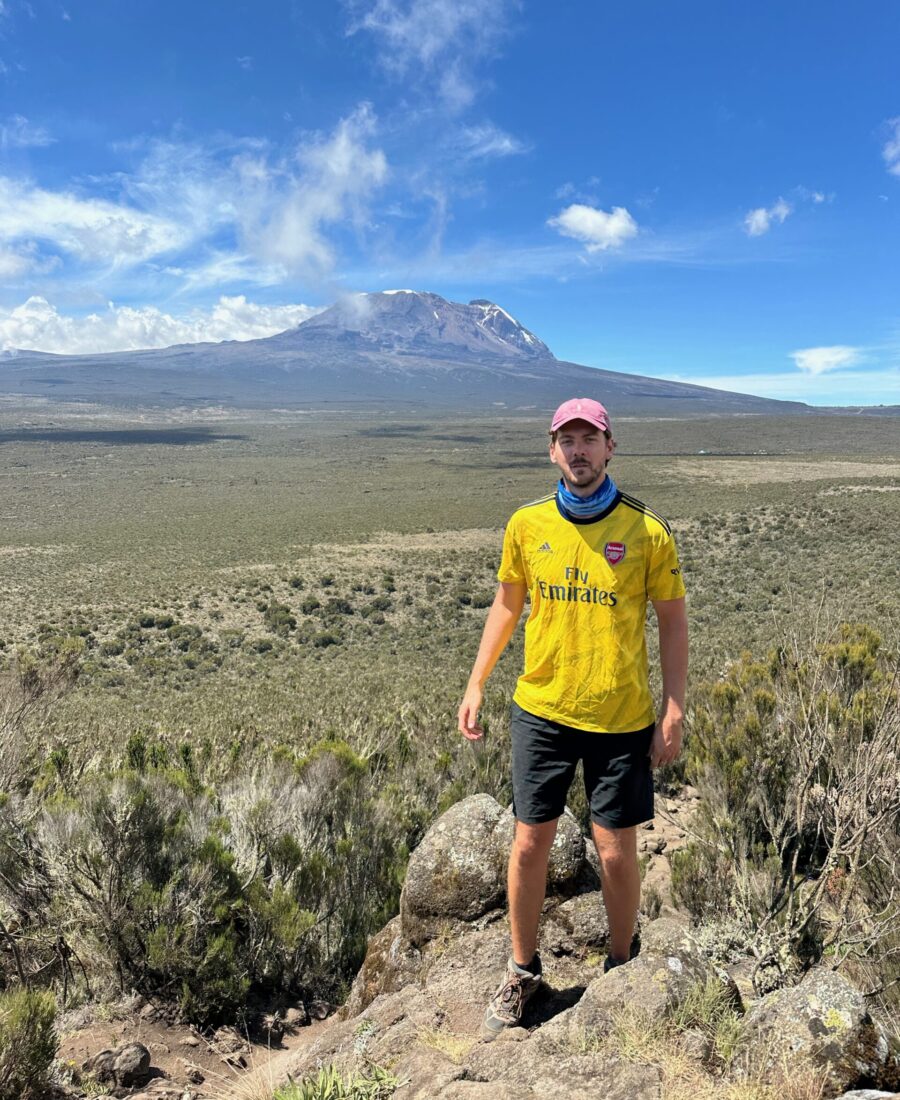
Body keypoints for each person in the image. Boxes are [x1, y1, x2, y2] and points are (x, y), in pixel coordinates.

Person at [457, 397, 688, 1040]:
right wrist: (476, 683)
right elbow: (507, 606)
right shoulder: (526, 525)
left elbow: (672, 623)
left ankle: (621, 965)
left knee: (615, 848)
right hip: (543, 710)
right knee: (530, 840)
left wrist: (673, 708)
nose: (579, 450)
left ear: (611, 448)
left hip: (620, 716)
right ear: (551, 450)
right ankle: (523, 970)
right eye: (568, 439)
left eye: (591, 438)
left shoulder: (648, 531)